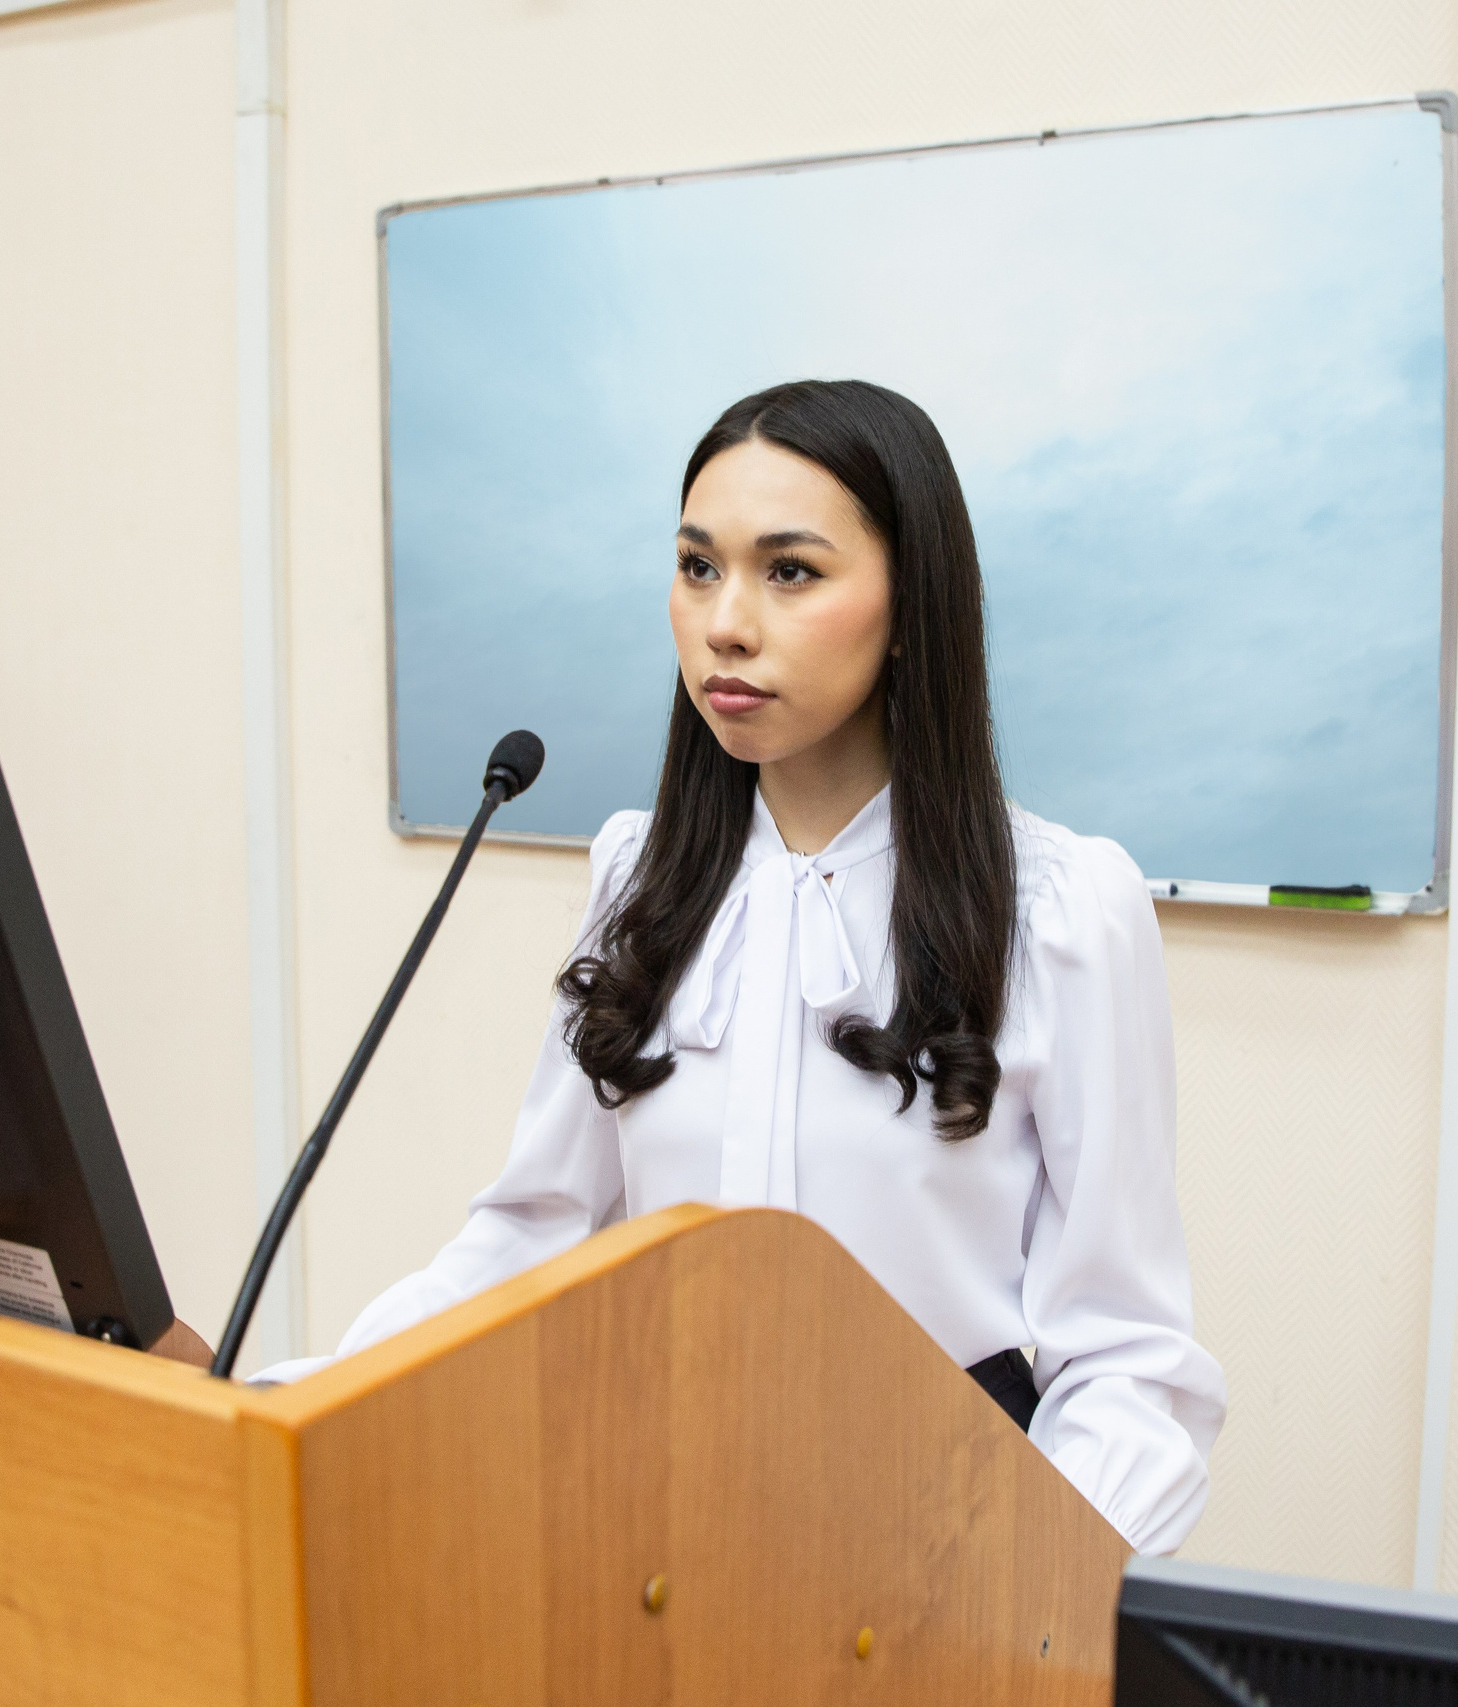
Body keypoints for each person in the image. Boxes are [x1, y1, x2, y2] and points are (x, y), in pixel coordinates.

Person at [258, 378, 1224, 1556]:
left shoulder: (1062, 908)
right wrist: (293, 1412)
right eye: (697, 567)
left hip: (940, 1541)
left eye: (791, 572)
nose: (725, 622)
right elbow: (527, 1243)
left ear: (910, 603)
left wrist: (1029, 1601)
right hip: (656, 1526)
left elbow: (1126, 1354)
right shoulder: (640, 875)